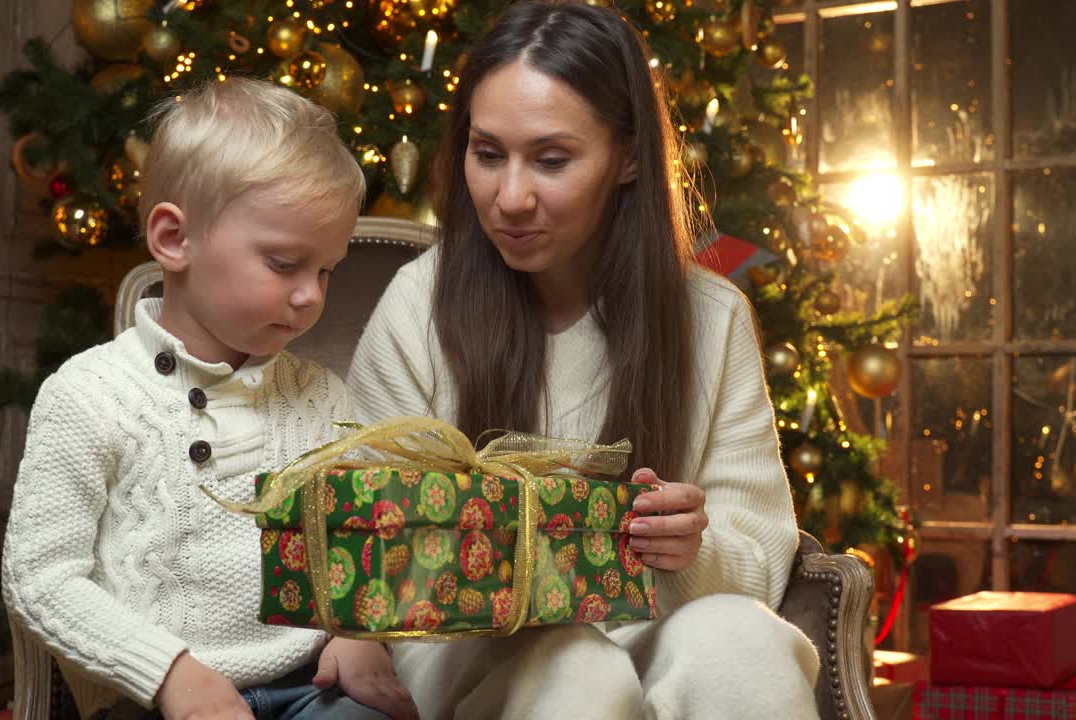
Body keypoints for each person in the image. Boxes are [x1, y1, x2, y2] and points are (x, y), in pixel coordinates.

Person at [346, 2, 820, 718]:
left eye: (552, 159)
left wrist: (694, 549)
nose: (509, 197)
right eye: (486, 153)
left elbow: (760, 560)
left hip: (656, 623)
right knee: (576, 668)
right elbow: (360, 542)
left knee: (745, 643)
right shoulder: (419, 305)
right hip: (466, 649)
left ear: (628, 156)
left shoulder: (710, 318)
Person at [2, 77, 417, 720]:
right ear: (174, 239)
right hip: (151, 697)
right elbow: (41, 579)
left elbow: (370, 533)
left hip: (312, 686)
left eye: (326, 269)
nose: (311, 294)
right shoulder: (89, 396)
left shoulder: (323, 399)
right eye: (285, 263)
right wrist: (170, 675)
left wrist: (358, 631)